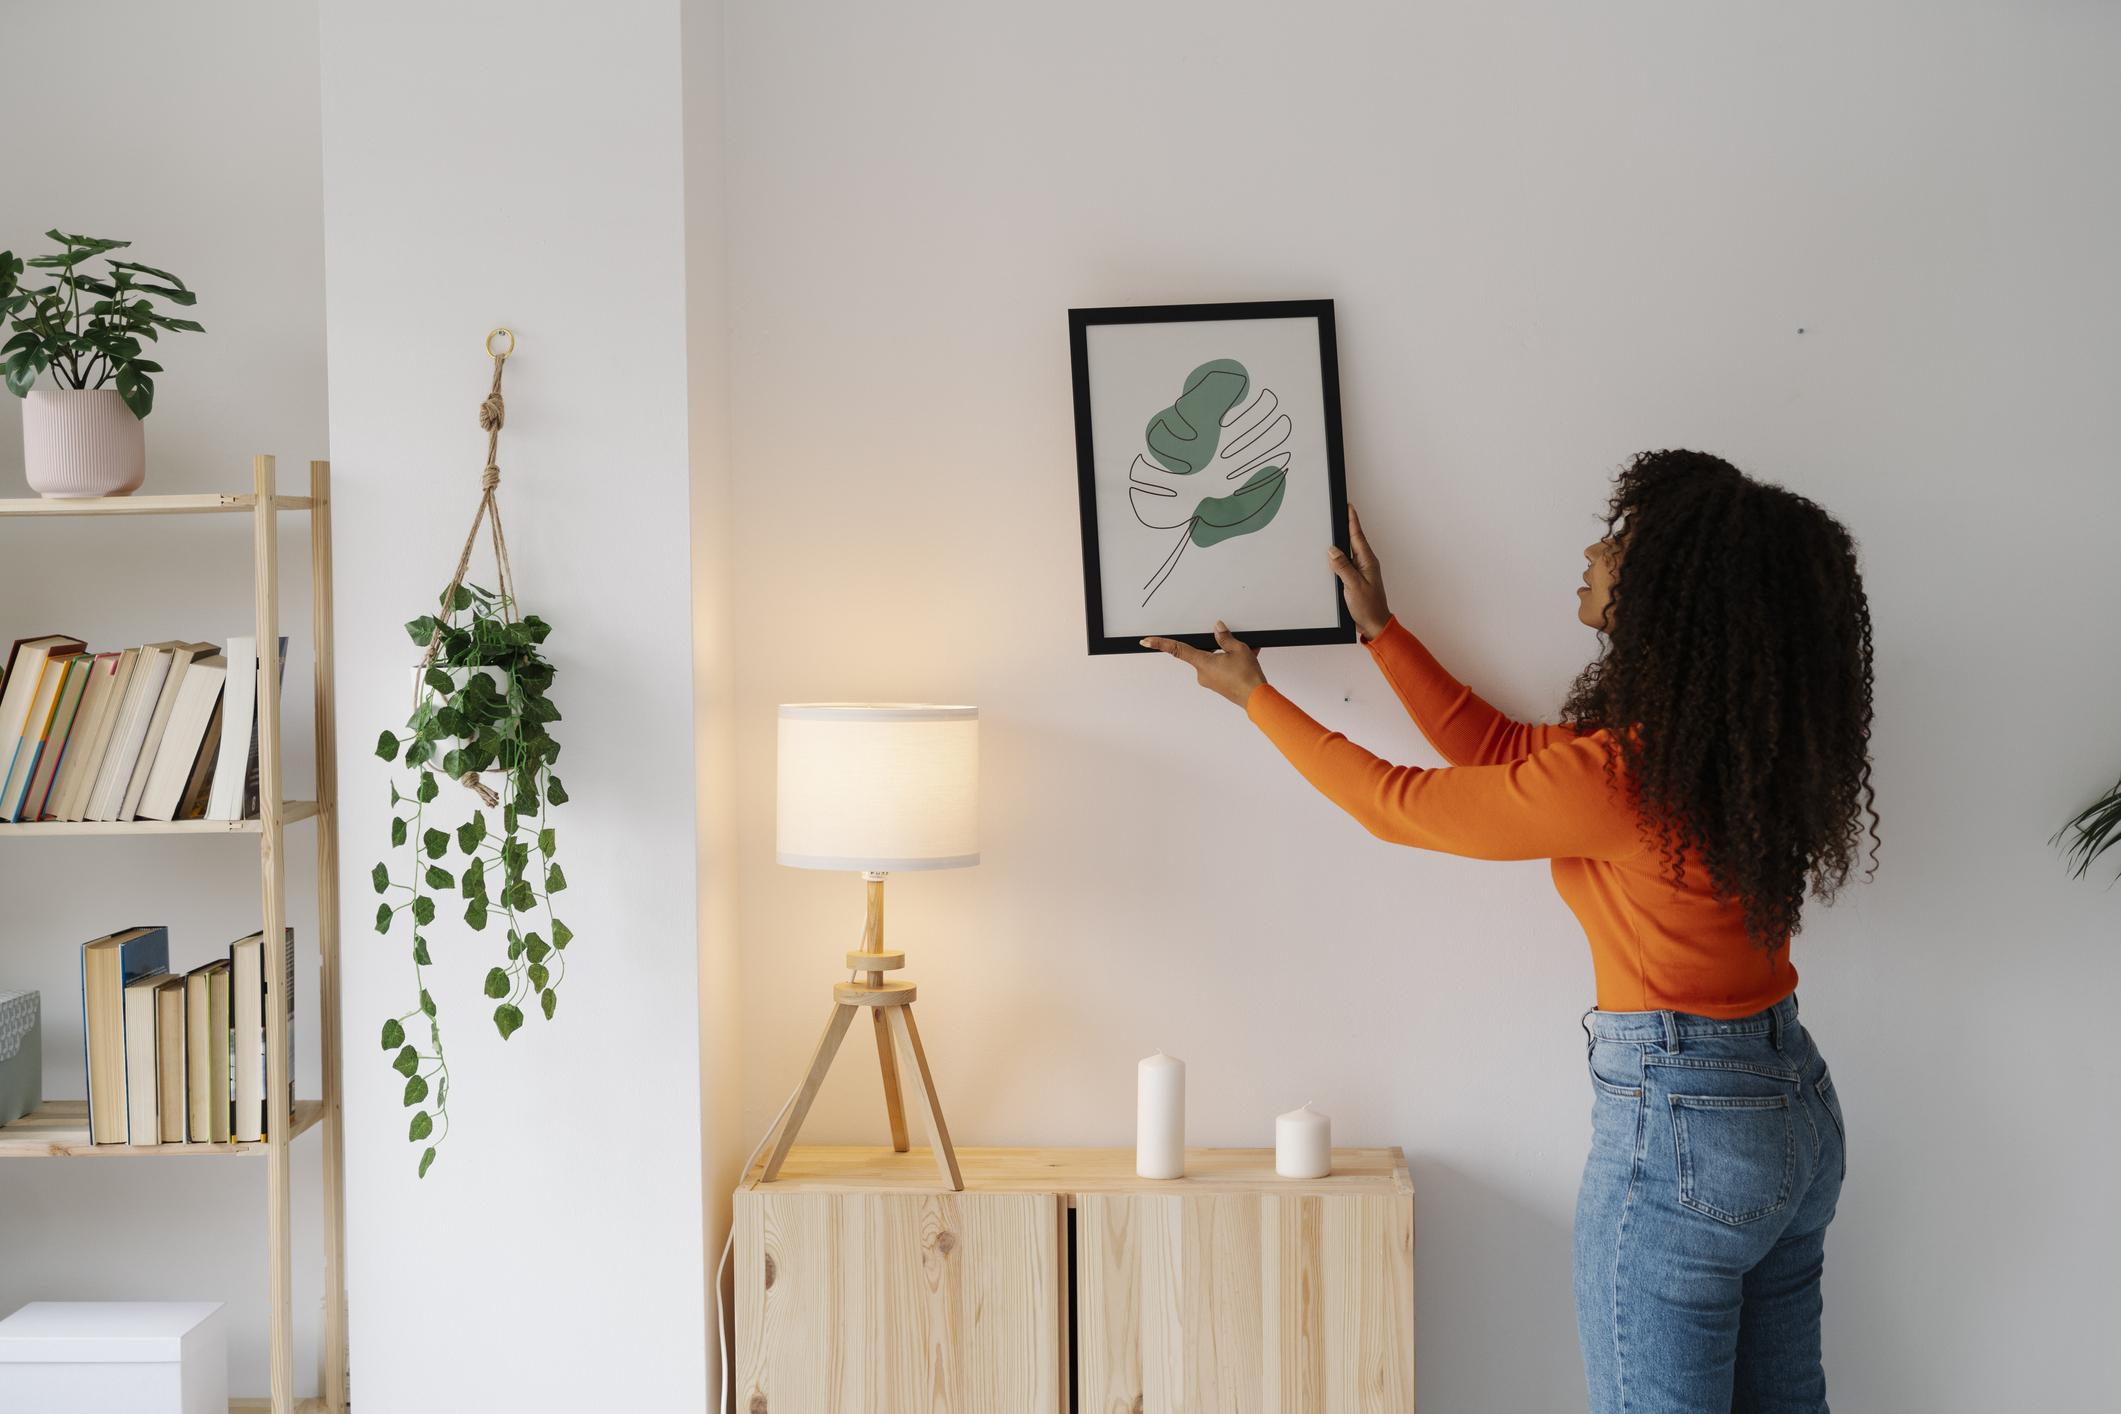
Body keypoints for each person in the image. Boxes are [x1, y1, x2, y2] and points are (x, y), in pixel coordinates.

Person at [1144, 449, 1876, 1413]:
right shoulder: (1712, 759)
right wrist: (1380, 632)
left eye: (1616, 542)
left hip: (1686, 1127)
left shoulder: (1625, 778)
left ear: (1666, 592)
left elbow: (1397, 806)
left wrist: (1255, 698)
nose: (1589, 550)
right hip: (1792, 1112)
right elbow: (1499, 754)